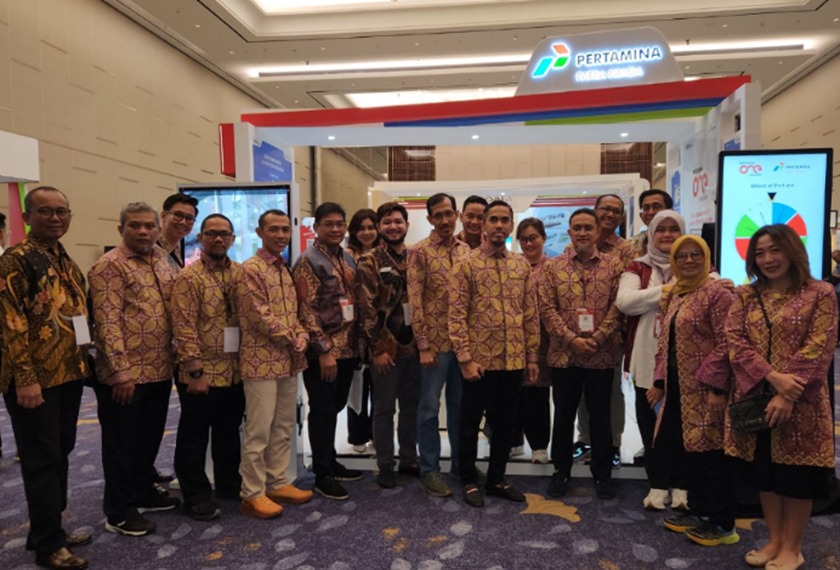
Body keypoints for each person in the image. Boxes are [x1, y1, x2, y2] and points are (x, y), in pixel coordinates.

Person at [725, 224, 837, 570]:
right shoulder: (745, 295)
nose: (768, 259)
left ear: (792, 251)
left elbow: (820, 344)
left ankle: (792, 547)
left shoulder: (820, 293)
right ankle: (774, 540)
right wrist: (772, 378)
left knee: (796, 476)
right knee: (766, 476)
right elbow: (735, 341)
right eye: (759, 253)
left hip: (802, 402)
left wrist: (788, 393)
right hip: (757, 399)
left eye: (775, 250)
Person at [0, 187, 91, 570]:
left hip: (67, 373)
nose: (55, 218)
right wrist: (25, 378)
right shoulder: (16, 260)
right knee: (41, 460)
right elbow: (10, 324)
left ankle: (47, 528)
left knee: (59, 453)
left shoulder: (63, 258)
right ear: (27, 216)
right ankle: (48, 546)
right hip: (34, 380)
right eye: (46, 211)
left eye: (61, 211)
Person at [89, 202, 180, 537]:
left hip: (159, 369)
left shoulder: (161, 260)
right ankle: (119, 511)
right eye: (135, 225)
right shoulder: (109, 266)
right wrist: (120, 372)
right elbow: (107, 323)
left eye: (149, 226)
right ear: (121, 229)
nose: (143, 231)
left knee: (148, 437)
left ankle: (142, 491)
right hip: (125, 376)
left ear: (158, 228)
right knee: (120, 445)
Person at [449, 200, 540, 508]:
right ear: (483, 224)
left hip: (513, 359)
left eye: (505, 220)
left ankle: (497, 478)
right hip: (479, 362)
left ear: (511, 225)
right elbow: (456, 315)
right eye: (494, 220)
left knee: (505, 423)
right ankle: (468, 479)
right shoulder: (466, 264)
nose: (499, 225)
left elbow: (530, 314)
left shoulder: (521, 265)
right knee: (469, 422)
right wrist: (465, 358)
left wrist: (531, 357)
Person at [653, 235, 738, 547]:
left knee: (712, 453)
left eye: (695, 255)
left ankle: (722, 523)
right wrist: (660, 382)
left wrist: (718, 386)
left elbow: (728, 341)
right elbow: (667, 342)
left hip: (707, 389)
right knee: (690, 451)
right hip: (680, 389)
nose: (688, 261)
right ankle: (699, 511)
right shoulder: (677, 293)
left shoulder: (717, 293)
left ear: (706, 258)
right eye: (682, 256)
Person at [540, 207, 624, 500]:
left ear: (598, 231)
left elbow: (618, 307)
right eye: (577, 228)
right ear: (570, 232)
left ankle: (602, 475)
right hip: (565, 356)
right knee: (563, 416)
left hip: (601, 355)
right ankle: (561, 472)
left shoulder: (614, 266)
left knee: (600, 416)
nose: (583, 232)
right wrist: (571, 339)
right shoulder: (553, 267)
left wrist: (598, 337)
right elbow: (546, 309)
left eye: (589, 227)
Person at [236, 209, 314, 518]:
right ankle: (252, 493)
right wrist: (293, 336)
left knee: (283, 425)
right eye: (273, 229)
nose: (280, 235)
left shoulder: (284, 268)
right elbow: (258, 314)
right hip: (260, 361)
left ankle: (278, 481)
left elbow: (294, 312)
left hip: (288, 360)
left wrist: (302, 334)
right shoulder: (250, 269)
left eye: (284, 229)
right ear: (259, 232)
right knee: (259, 431)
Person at [171, 214, 245, 522]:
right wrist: (195, 371)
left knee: (229, 433)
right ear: (200, 238)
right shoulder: (189, 278)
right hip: (201, 372)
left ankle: (228, 485)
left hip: (233, 370)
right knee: (194, 437)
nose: (218, 239)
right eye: (211, 233)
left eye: (224, 234)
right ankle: (196, 496)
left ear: (232, 239)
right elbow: (183, 327)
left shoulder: (240, 273)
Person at [615, 209, 687, 510]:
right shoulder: (638, 267)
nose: (667, 234)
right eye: (661, 229)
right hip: (646, 358)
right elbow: (625, 302)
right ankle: (657, 483)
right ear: (651, 234)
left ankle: (681, 485)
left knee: (683, 424)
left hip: (686, 361)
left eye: (674, 229)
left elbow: (711, 292)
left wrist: (648, 298)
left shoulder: (695, 262)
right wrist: (670, 291)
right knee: (650, 423)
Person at [293, 202, 363, 501]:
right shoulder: (308, 261)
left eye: (340, 223)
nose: (335, 229)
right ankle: (322, 473)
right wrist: (322, 350)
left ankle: (330, 460)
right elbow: (305, 310)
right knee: (322, 410)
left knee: (334, 407)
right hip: (324, 353)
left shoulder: (346, 258)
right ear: (316, 227)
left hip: (347, 349)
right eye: (329, 224)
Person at [354, 202, 421, 489]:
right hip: (385, 350)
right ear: (380, 227)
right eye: (387, 222)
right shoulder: (369, 261)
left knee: (411, 408)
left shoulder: (416, 257)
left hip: (415, 347)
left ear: (406, 225)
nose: (393, 227)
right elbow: (366, 309)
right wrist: (378, 350)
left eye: (398, 221)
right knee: (383, 410)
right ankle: (385, 465)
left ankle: (408, 459)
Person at [408, 193, 469, 497]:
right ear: (430, 218)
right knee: (429, 409)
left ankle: (460, 465)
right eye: (438, 215)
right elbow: (415, 302)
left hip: (462, 347)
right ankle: (429, 469)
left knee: (460, 408)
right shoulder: (419, 252)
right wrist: (423, 344)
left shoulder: (466, 251)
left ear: (456, 214)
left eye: (449, 214)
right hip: (434, 345)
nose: (445, 220)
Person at [572, 193, 636, 468]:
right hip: (577, 336)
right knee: (581, 391)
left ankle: (612, 443)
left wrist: (603, 333)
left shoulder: (626, 251)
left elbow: (625, 296)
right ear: (596, 211)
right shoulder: (576, 245)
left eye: (615, 211)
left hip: (611, 335)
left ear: (621, 218)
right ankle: (585, 439)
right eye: (605, 209)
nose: (610, 214)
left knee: (610, 391)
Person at [510, 217, 551, 464]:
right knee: (514, 394)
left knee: (537, 395)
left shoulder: (553, 268)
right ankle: (513, 442)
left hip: (544, 342)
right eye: (523, 239)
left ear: (543, 238)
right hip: (515, 341)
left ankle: (539, 446)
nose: (528, 243)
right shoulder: (512, 266)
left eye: (533, 238)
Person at [345, 208, 378, 453]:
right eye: (361, 228)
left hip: (379, 332)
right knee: (356, 386)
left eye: (371, 227)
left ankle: (377, 434)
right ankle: (357, 436)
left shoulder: (384, 255)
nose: (366, 232)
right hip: (353, 331)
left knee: (380, 388)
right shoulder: (346, 257)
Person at [156, 193, 199, 272]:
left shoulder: (176, 252)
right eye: (178, 215)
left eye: (189, 218)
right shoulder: (149, 248)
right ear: (163, 216)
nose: (183, 222)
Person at [630, 189, 673, 256]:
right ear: (641, 215)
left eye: (656, 207)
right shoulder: (631, 246)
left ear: (671, 212)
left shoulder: (683, 242)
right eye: (646, 208)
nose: (651, 212)